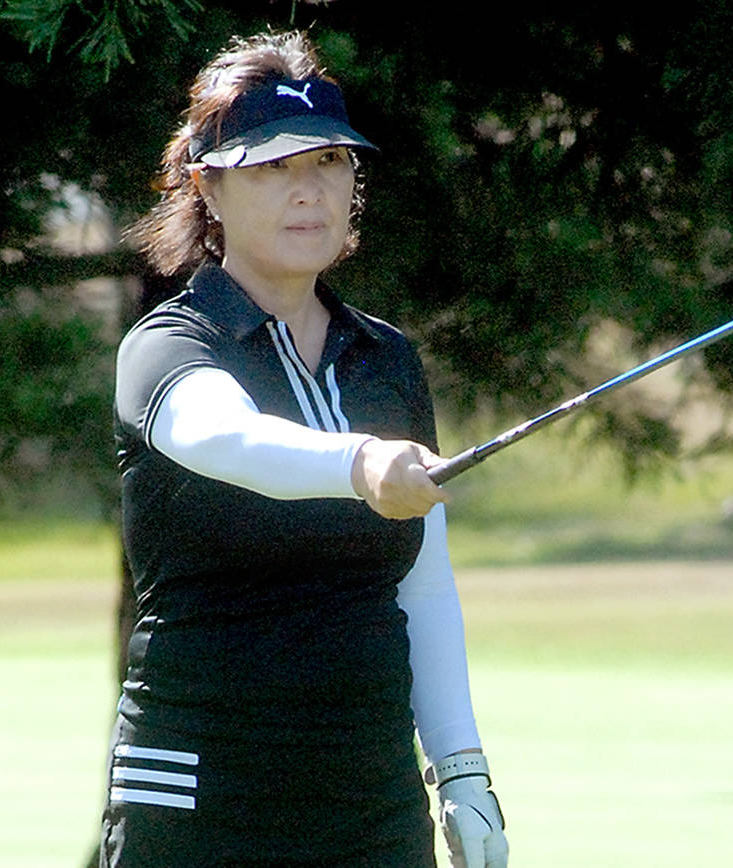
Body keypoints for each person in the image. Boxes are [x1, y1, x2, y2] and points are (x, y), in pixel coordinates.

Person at [99, 30, 509, 868]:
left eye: (328, 163)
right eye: (271, 167)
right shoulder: (171, 344)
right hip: (196, 801)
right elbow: (221, 435)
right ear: (207, 188)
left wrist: (464, 777)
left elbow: (422, 584)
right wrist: (357, 465)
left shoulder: (386, 358)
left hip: (371, 802)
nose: (308, 192)